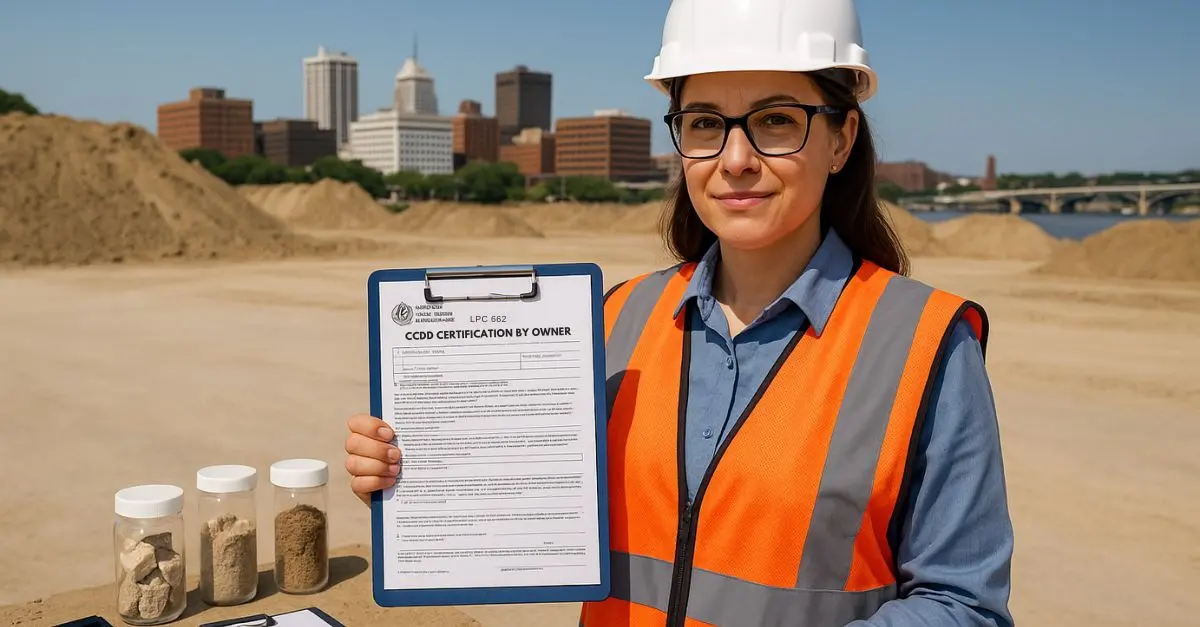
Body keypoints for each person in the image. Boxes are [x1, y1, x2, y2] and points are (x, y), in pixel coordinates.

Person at [344, 0, 1015, 624]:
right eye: (704, 125)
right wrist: (418, 483)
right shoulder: (613, 320)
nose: (736, 159)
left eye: (777, 120)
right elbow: (526, 502)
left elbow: (965, 605)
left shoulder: (925, 345)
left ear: (841, 139)